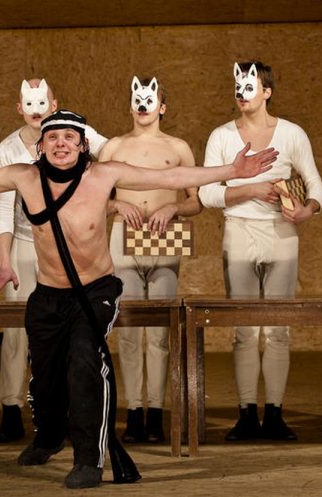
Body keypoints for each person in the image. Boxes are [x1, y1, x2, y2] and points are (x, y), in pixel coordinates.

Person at [0, 108, 276, 488]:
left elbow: (170, 177)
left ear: (83, 145)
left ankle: (89, 458)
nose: (61, 143)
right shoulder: (25, 177)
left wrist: (232, 171)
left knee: (84, 363)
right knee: (45, 376)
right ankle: (49, 437)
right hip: (48, 294)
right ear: (40, 146)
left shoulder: (103, 175)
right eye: (53, 138)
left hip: (94, 292)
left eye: (70, 137)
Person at [198, 61, 322, 441]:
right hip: (239, 231)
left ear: (267, 91)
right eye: (238, 86)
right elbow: (207, 193)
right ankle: (246, 414)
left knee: (278, 329)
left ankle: (275, 414)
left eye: (250, 86)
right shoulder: (221, 136)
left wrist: (307, 210)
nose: (242, 93)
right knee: (244, 330)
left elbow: (316, 184)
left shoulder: (291, 134)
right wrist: (250, 189)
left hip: (281, 234)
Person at [0, 78, 106, 443]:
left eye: (43, 103)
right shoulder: (9, 148)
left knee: (68, 331)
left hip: (66, 247)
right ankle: (10, 407)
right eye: (28, 103)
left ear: (54, 105)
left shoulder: (75, 135)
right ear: (18, 107)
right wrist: (4, 261)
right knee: (16, 332)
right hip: (25, 243)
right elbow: (4, 205)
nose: (36, 110)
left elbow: (113, 153)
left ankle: (67, 410)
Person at [99, 76, 200, 443]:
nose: (143, 105)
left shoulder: (178, 148)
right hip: (123, 237)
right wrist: (115, 204)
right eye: (137, 99)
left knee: (159, 331)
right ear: (130, 105)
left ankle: (155, 412)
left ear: (162, 107)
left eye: (150, 99)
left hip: (164, 237)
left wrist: (174, 207)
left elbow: (196, 200)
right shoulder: (113, 147)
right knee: (127, 329)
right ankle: (134, 410)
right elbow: (93, 196)